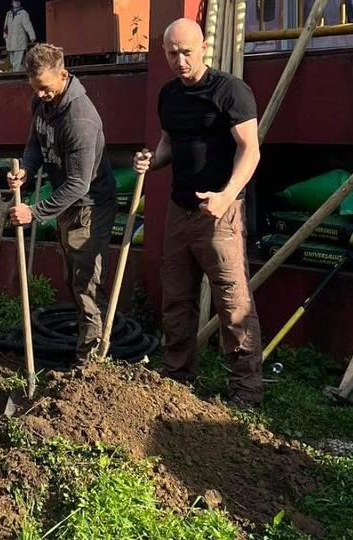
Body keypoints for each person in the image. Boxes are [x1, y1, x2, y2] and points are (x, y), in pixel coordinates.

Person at [133, 18, 263, 406]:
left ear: (203, 47)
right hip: (180, 209)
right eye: (172, 53)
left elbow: (250, 149)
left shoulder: (231, 91)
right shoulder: (169, 95)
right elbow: (169, 143)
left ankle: (246, 390)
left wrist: (226, 196)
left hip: (220, 212)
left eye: (187, 52)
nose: (180, 60)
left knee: (232, 300)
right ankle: (177, 376)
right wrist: (151, 160)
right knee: (176, 296)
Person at [8, 43, 118, 364]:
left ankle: (91, 360)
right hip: (67, 204)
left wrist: (34, 211)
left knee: (85, 283)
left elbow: (79, 183)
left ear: (63, 75)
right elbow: (35, 144)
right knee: (72, 278)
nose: (40, 94)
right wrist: (27, 171)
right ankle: (86, 348)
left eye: (45, 88)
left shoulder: (80, 118)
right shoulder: (41, 103)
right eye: (35, 88)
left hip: (90, 205)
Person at [3, 0, 36, 71]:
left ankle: (15, 76)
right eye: (15, 1)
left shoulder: (24, 13)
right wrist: (5, 36)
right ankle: (16, 73)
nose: (17, 3)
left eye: (18, 1)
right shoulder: (9, 13)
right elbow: (6, 26)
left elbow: (28, 25)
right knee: (12, 62)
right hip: (10, 40)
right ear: (12, 3)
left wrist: (32, 36)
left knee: (16, 62)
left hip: (19, 40)